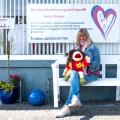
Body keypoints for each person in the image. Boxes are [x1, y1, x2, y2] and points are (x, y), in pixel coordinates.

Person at [54, 28, 100, 118]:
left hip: (90, 74)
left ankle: (67, 107)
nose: (82, 38)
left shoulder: (93, 47)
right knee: (74, 72)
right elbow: (71, 61)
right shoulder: (76, 48)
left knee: (74, 81)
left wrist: (87, 65)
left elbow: (97, 61)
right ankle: (75, 98)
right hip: (78, 74)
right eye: (80, 37)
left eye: (84, 36)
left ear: (87, 36)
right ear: (78, 38)